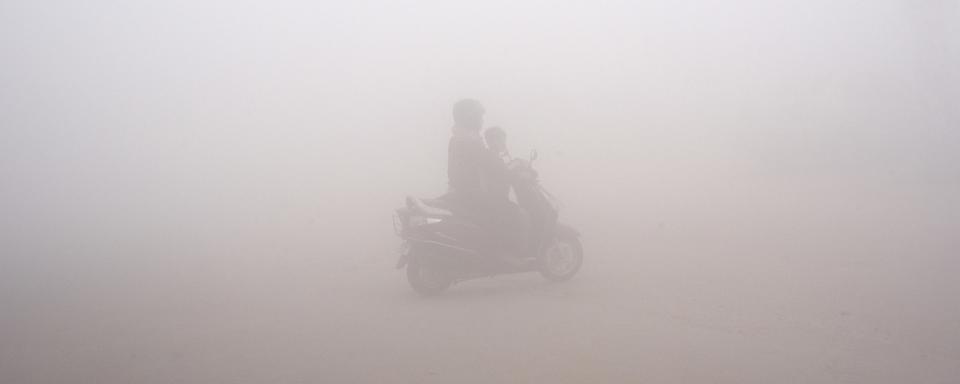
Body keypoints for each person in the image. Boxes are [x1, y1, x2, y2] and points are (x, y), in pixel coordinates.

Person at [446, 99, 527, 259]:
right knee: (516, 214)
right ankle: (502, 256)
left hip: (464, 192)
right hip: (473, 194)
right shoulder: (468, 141)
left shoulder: (460, 138)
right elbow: (490, 163)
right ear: (470, 118)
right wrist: (512, 172)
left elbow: (486, 161)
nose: (482, 120)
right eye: (479, 116)